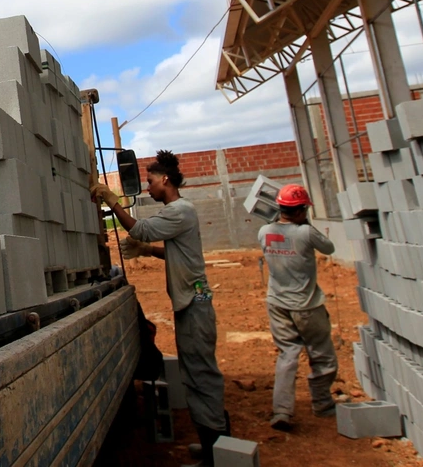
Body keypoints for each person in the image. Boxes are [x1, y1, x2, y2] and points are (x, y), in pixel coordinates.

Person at [93, 150, 229, 466]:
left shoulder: (179, 211)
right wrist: (149, 251)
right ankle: (213, 444)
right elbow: (179, 253)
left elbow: (139, 228)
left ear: (165, 179)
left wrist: (110, 200)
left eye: (151, 182)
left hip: (195, 304)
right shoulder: (180, 212)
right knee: (196, 372)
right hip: (193, 302)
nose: (148, 188)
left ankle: (215, 450)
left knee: (200, 375)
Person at [258, 183, 339, 430]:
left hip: (277, 304)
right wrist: (306, 224)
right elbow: (329, 247)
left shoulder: (263, 231)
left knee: (287, 354)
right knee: (322, 354)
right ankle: (323, 405)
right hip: (307, 306)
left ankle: (282, 410)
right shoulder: (306, 233)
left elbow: (281, 233)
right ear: (302, 210)